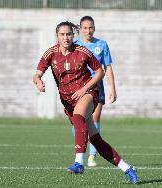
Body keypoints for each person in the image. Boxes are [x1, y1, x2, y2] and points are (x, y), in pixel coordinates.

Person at [33, 21, 138, 184]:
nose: (66, 37)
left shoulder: (82, 51)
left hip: (88, 93)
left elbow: (100, 72)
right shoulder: (51, 53)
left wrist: (84, 89)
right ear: (57, 36)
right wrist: (38, 81)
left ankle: (79, 163)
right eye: (62, 34)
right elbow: (36, 74)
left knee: (78, 117)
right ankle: (127, 168)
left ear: (73, 35)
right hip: (68, 100)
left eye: (68, 34)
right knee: (95, 139)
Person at [73, 16, 117, 167]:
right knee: (78, 120)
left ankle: (92, 155)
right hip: (79, 86)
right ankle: (80, 153)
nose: (88, 31)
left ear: (94, 28)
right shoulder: (74, 45)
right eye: (85, 28)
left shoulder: (101, 45)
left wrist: (113, 88)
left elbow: (108, 67)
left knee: (95, 118)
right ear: (80, 29)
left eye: (91, 27)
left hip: (97, 86)